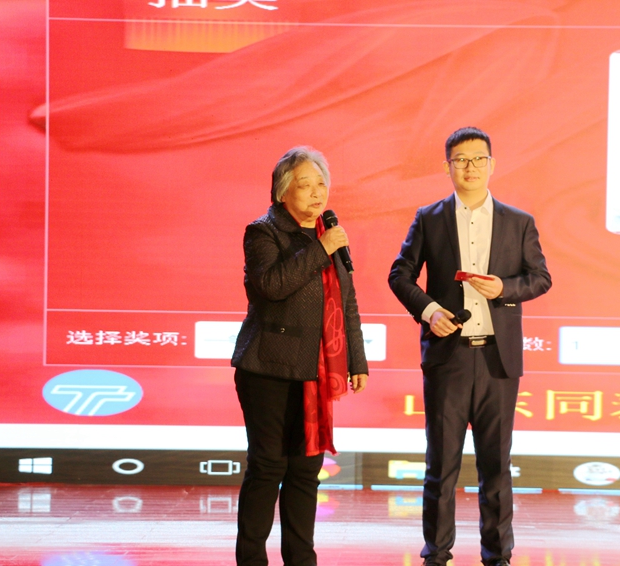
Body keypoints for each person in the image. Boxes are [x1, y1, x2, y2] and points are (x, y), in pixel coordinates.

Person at [388, 127, 551, 566]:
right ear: (448, 167)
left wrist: (505, 288)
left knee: (496, 466)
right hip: (450, 358)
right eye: (460, 159)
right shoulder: (430, 218)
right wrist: (429, 311)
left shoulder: (518, 221)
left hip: (498, 359)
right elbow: (400, 275)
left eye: (478, 159)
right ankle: (436, 555)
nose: (470, 167)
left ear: (492, 165)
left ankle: (498, 557)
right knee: (441, 465)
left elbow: (540, 278)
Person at [231, 146, 369, 566]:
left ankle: (301, 560)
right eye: (305, 185)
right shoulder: (263, 232)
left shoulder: (329, 234)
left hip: (315, 370)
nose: (316, 192)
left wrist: (357, 360)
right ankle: (251, 560)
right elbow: (271, 286)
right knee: (268, 466)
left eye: (321, 183)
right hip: (267, 368)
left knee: (306, 472)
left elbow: (346, 302)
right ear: (282, 191)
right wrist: (320, 248)